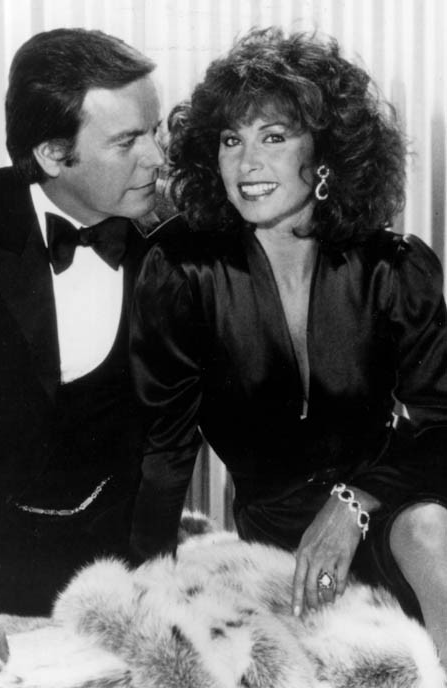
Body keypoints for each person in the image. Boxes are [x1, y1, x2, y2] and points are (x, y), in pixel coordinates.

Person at [129, 27, 447, 664]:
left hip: (388, 507)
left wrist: (353, 503)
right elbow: (164, 449)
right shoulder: (183, 270)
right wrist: (146, 586)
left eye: (274, 137)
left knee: (430, 531)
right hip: (276, 535)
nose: (247, 164)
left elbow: (443, 421)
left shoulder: (393, 267)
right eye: (232, 140)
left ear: (326, 153)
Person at [0, 27, 164, 686]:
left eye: (155, 131)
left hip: (109, 576)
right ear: (51, 153)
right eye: (128, 141)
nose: (157, 158)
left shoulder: (173, 241)